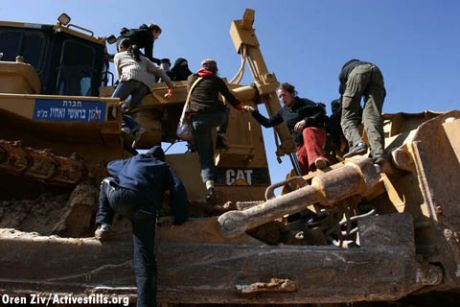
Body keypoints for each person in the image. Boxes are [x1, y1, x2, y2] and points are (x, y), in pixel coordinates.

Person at [94, 145, 189, 307]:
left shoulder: (132, 160)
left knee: (105, 182)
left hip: (122, 199)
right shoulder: (164, 166)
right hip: (146, 210)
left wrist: (128, 164)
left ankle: (104, 224)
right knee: (145, 261)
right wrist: (180, 217)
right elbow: (178, 188)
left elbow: (110, 166)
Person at [187, 58, 243, 200]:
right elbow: (229, 96)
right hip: (215, 117)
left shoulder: (191, 78)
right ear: (215, 69)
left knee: (206, 157)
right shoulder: (216, 80)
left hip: (197, 121)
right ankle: (220, 134)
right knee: (226, 109)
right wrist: (240, 107)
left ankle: (210, 186)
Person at [243, 82, 329, 175]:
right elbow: (268, 123)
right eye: (280, 97)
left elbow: (321, 113)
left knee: (307, 131)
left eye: (284, 95)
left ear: (291, 93)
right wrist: (254, 112)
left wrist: (306, 121)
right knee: (304, 169)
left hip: (316, 134)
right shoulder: (283, 112)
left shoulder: (304, 102)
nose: (282, 99)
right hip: (301, 145)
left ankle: (319, 160)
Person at [113, 38, 174, 147]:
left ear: (121, 48)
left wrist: (120, 87)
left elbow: (119, 74)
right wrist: (170, 86)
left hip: (129, 78)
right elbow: (159, 71)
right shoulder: (144, 58)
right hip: (145, 86)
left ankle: (125, 128)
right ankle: (137, 129)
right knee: (125, 109)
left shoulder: (118, 55)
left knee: (111, 105)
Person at [338, 59, 386, 164]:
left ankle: (358, 144)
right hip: (377, 72)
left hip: (358, 73)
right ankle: (378, 154)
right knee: (372, 116)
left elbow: (345, 101)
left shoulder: (344, 73)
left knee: (347, 118)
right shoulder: (363, 64)